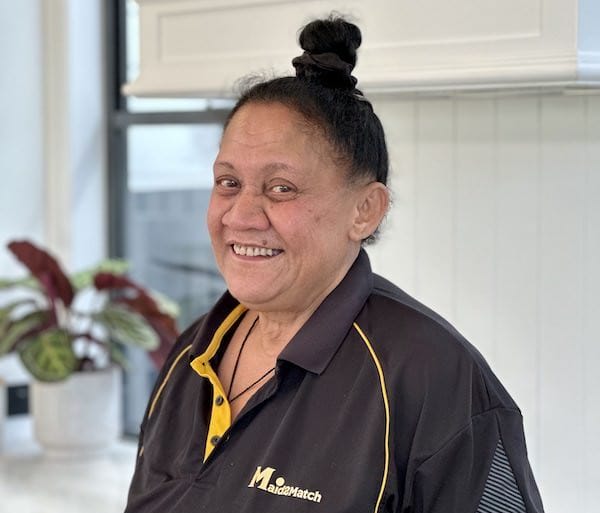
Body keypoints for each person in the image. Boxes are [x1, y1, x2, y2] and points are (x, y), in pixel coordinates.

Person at [124, 15, 544, 513]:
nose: (240, 215)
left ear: (365, 210)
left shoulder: (434, 378)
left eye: (281, 188)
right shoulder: (192, 352)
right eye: (228, 182)